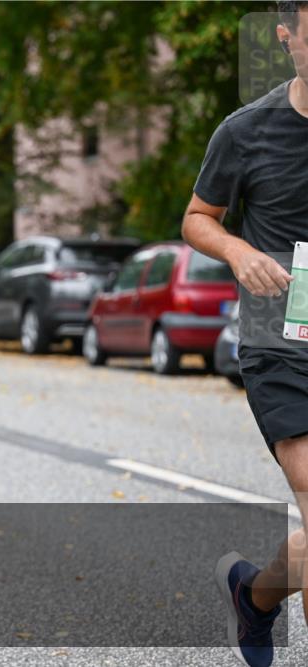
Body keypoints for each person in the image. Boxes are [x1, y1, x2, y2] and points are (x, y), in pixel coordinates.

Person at [182, 3, 308, 666]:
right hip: (281, 341)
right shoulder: (246, 130)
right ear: (287, 36)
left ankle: (256, 597)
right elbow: (199, 218)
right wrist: (236, 251)